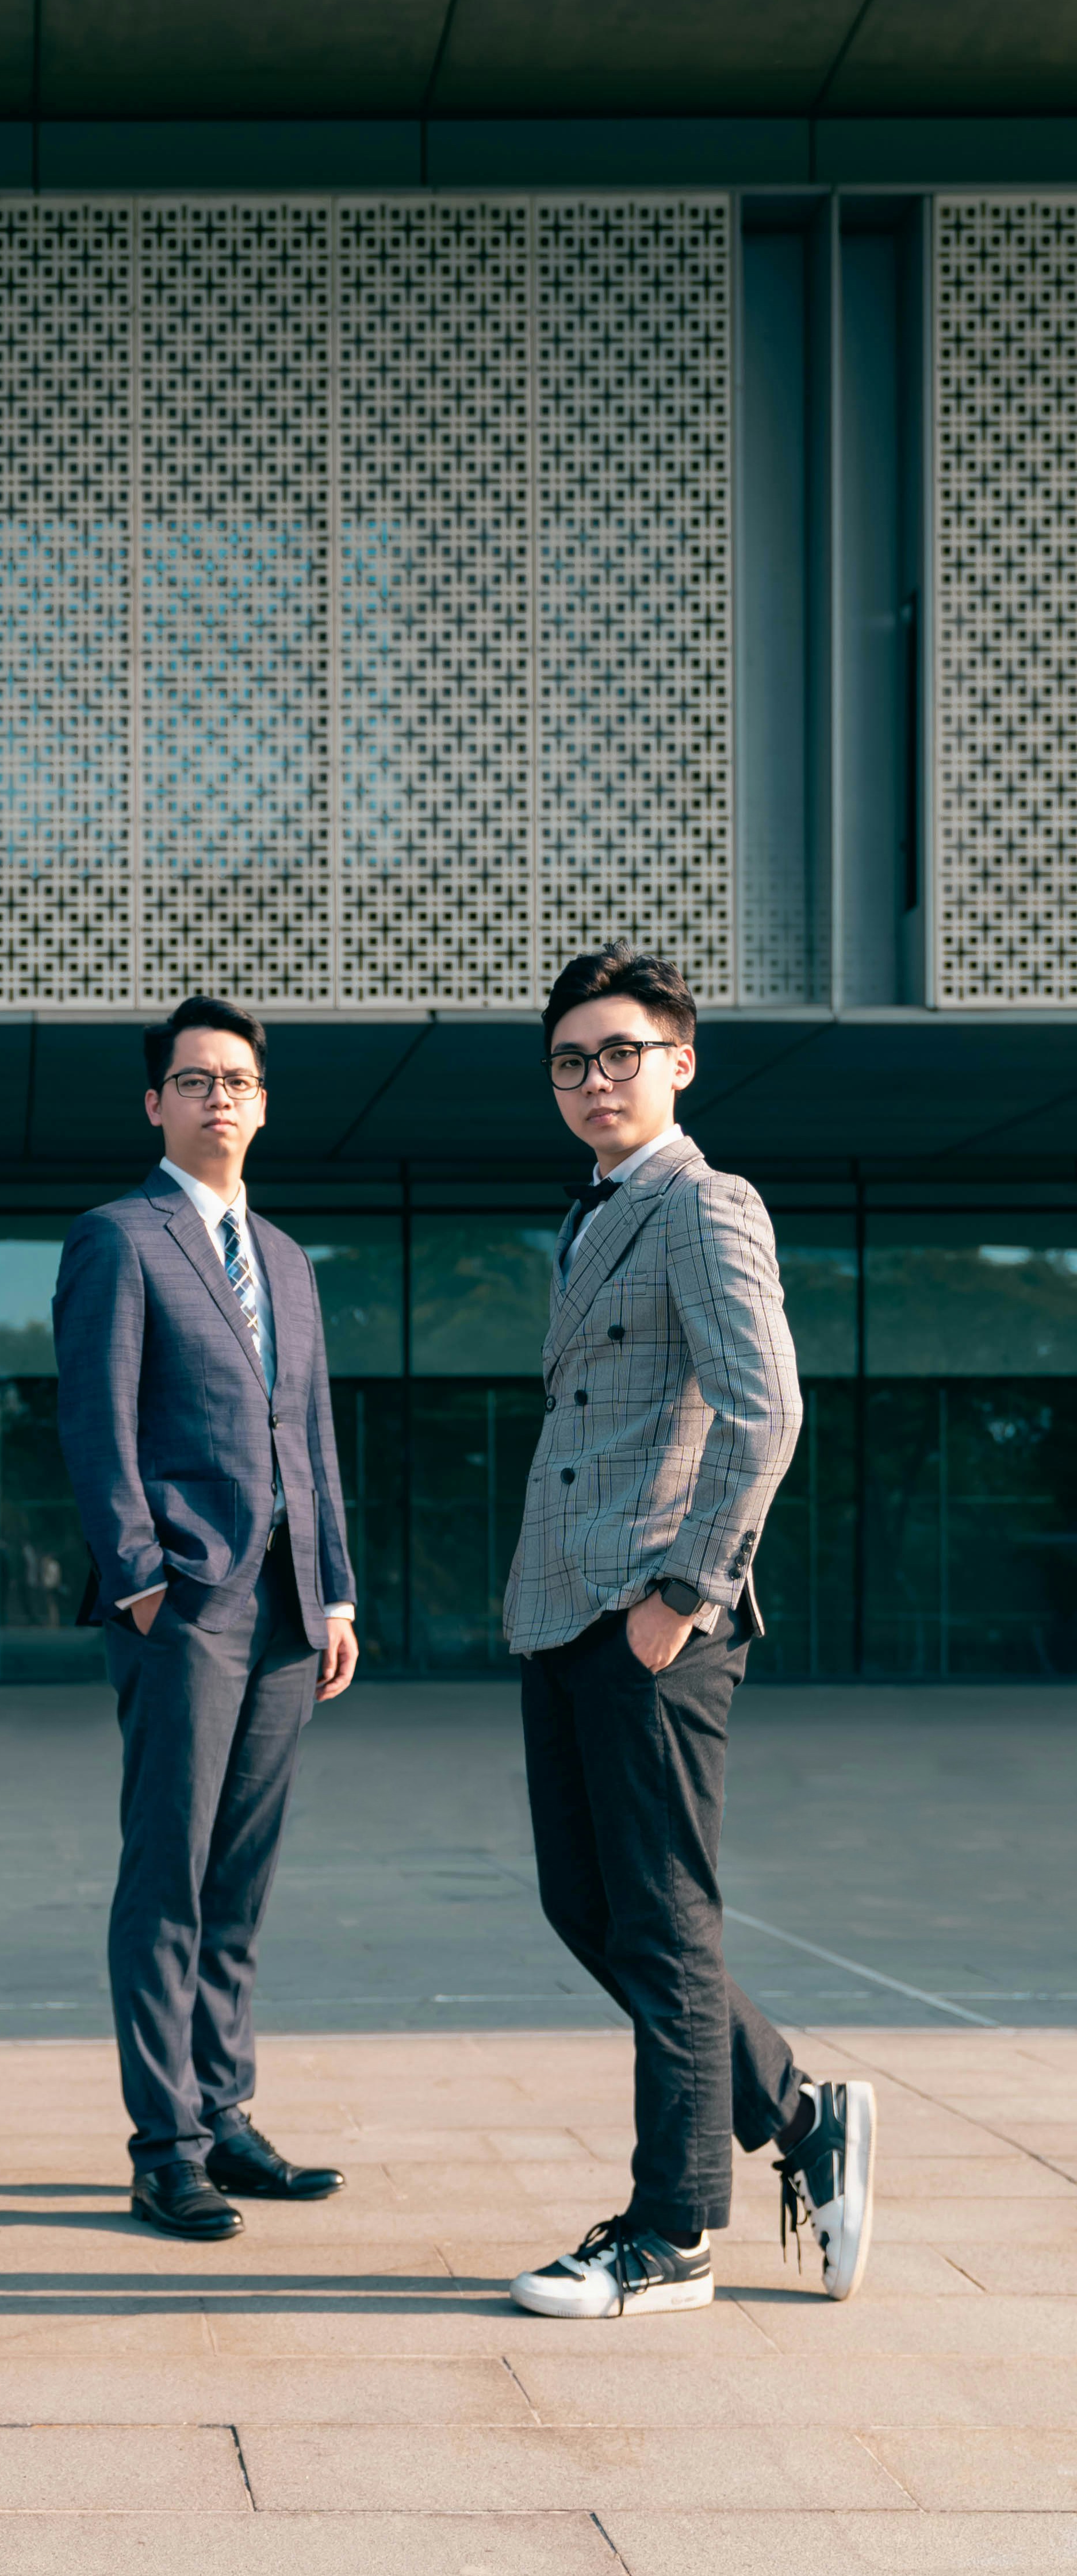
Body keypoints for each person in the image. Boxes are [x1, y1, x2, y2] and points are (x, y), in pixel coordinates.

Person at [505, 945, 875, 2318]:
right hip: (564, 1614)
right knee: (585, 1905)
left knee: (659, 1920)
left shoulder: (702, 1203)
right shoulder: (596, 1211)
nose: (595, 1078)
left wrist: (682, 1595)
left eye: (621, 1053)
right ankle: (796, 2114)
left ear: (680, 1061)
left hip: (650, 1617)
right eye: (570, 1059)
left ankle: (672, 2233)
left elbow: (762, 1408)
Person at [53, 994, 360, 2240]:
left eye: (236, 1080)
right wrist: (135, 1570)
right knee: (166, 1875)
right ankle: (162, 2144)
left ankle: (225, 2117)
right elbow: (94, 1418)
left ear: (262, 1102)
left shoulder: (285, 1257)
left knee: (238, 1876)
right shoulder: (117, 1238)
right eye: (193, 1081)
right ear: (155, 1104)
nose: (217, 1098)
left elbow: (313, 1435)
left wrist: (335, 1587)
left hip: (287, 1604)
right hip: (183, 1601)